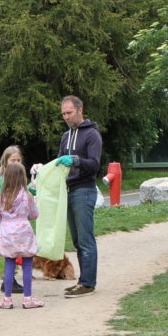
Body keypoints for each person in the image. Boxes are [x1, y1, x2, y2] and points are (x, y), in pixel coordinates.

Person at [56, 95, 101, 298]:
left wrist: (75, 161)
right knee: (77, 240)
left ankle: (87, 283)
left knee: (85, 240)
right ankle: (83, 281)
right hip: (68, 190)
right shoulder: (66, 136)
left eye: (69, 112)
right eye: (63, 114)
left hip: (84, 190)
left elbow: (94, 164)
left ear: (80, 110)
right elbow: (59, 163)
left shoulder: (92, 134)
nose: (66, 117)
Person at [0, 162, 43, 309]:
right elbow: (34, 214)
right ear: (23, 177)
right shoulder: (27, 195)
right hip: (24, 232)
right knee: (27, 264)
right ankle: (27, 298)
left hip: (7, 233)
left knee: (9, 264)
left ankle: (7, 299)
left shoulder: (1, 196)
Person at [0, 145, 25, 295]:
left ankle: (9, 281)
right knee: (10, 253)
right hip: (8, 222)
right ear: (5, 162)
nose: (16, 163)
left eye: (19, 160)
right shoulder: (4, 178)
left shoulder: (17, 177)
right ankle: (8, 282)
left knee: (13, 252)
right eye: (13, 160)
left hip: (14, 222)